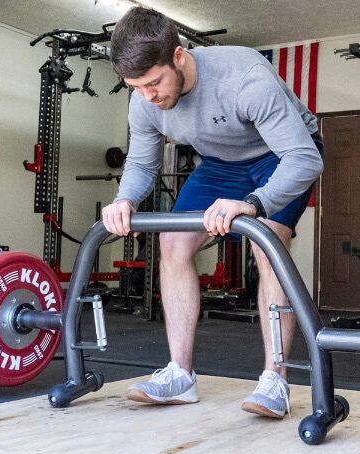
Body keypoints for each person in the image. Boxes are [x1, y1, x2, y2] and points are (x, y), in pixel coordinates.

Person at [103, 7, 324, 419]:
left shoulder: (244, 79)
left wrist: (254, 204)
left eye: (155, 82)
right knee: (173, 241)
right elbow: (141, 163)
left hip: (280, 154)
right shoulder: (143, 100)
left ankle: (275, 380)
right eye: (137, 87)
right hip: (222, 163)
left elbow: (304, 159)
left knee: (268, 243)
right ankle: (180, 375)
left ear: (180, 56)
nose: (149, 96)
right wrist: (124, 200)